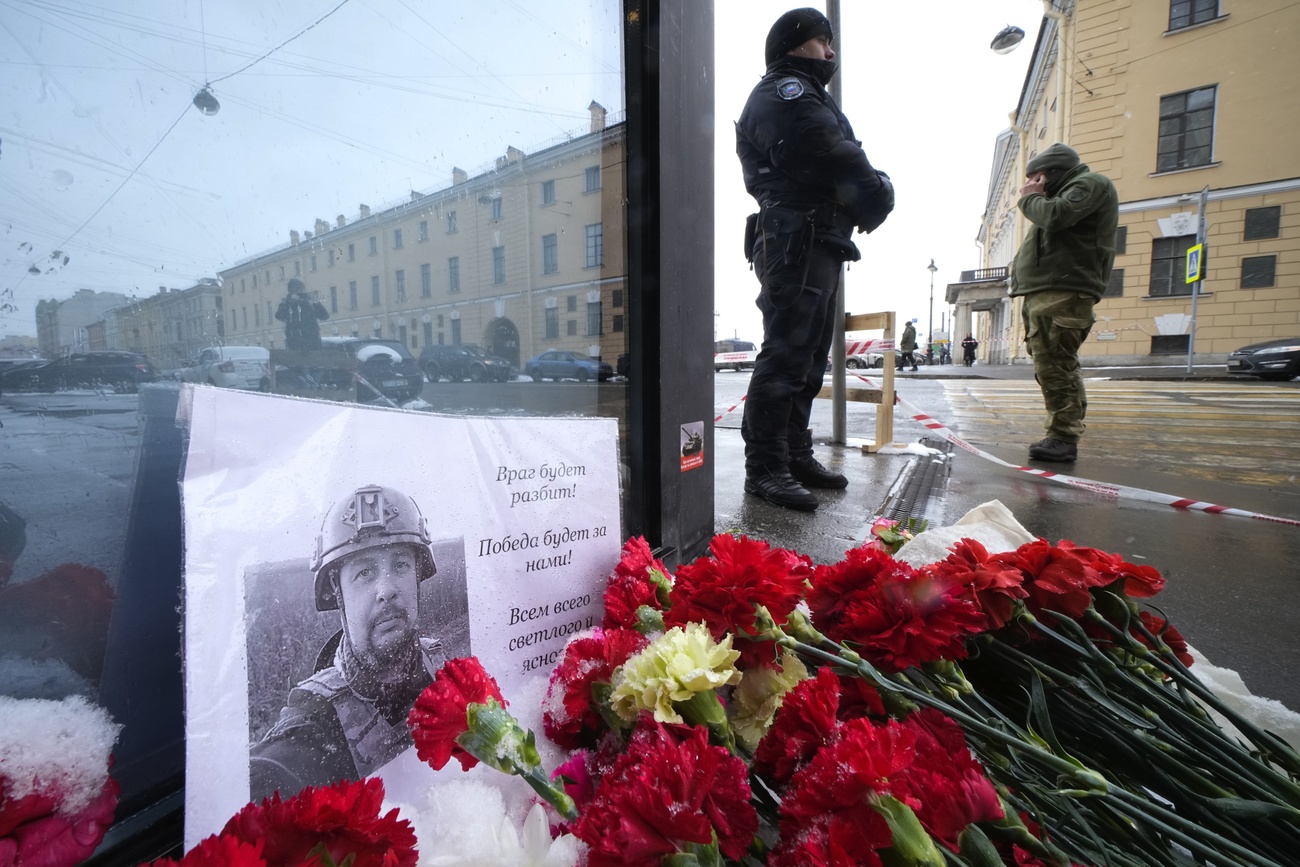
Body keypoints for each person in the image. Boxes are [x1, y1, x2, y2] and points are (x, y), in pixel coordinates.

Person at [736, 7, 895, 511]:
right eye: (822, 41)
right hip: (794, 239)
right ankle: (765, 468)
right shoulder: (784, 92)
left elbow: (839, 155)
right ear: (793, 44)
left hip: (814, 239)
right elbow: (832, 154)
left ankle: (794, 454)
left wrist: (867, 190)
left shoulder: (805, 93)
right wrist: (880, 192)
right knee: (785, 356)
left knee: (806, 360)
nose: (831, 52)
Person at [249, 484, 445, 800]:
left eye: (400, 565)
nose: (387, 589)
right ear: (337, 592)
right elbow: (272, 771)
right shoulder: (316, 722)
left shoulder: (443, 665)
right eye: (364, 573)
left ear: (417, 574)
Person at [1010, 143, 1119, 463]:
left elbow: (1057, 217)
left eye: (1036, 178)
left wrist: (1030, 197)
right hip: (1049, 289)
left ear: (1053, 174)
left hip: (1064, 289)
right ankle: (1061, 432)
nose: (1030, 185)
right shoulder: (1062, 193)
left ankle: (1064, 435)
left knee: (1056, 363)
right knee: (1050, 363)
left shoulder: (1090, 184)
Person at [275, 278, 329, 351]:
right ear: (290, 291)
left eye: (301, 289)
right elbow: (279, 316)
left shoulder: (309, 302)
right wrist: (290, 302)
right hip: (295, 343)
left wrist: (316, 303)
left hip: (312, 342)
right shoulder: (287, 303)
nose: (300, 292)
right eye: (297, 289)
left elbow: (325, 316)